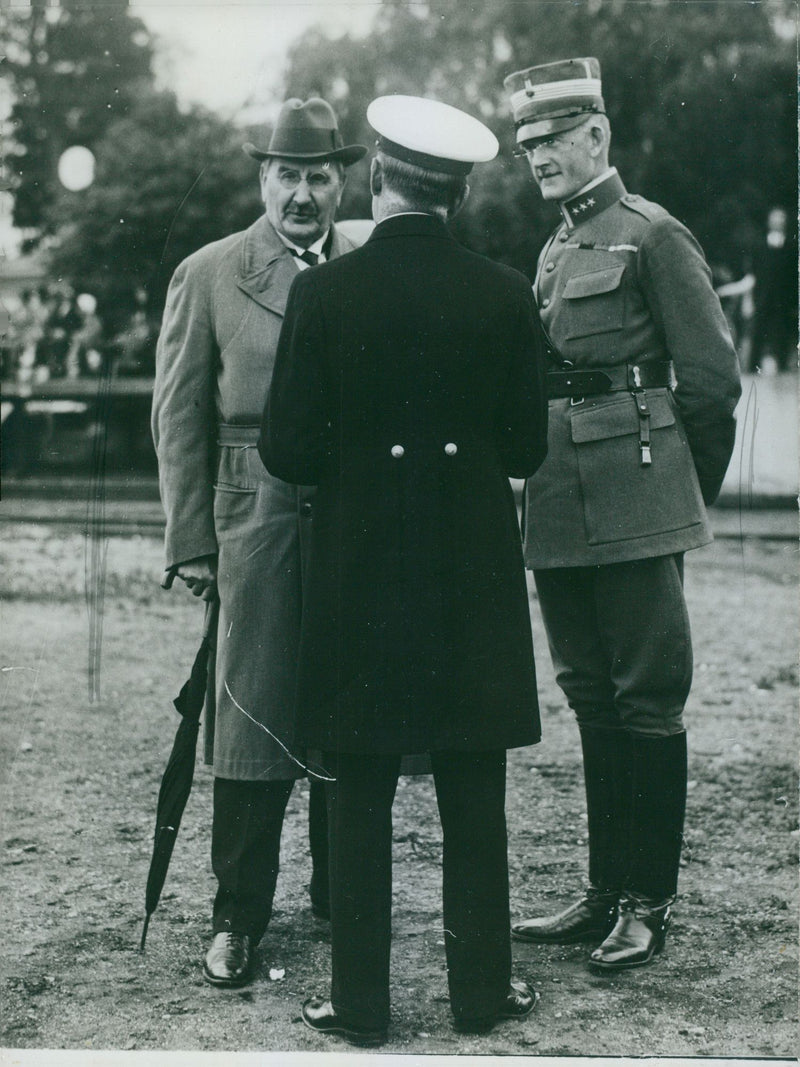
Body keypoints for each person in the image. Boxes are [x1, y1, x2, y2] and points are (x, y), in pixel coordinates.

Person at [259, 94, 548, 1045]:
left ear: (376, 180)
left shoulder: (323, 292)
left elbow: (289, 451)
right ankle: (481, 992)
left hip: (361, 568)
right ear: (458, 195)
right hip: (470, 569)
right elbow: (526, 447)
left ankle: (362, 1001)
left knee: (361, 780)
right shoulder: (506, 292)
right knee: (473, 780)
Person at [503, 58, 741, 970]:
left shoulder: (653, 235)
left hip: (639, 498)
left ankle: (649, 898)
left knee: (647, 696)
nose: (540, 158)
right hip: (560, 499)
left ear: (597, 134)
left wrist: (682, 497)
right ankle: (605, 890)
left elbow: (712, 381)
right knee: (591, 693)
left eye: (555, 138)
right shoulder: (556, 248)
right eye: (529, 145)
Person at [151, 98, 366, 988]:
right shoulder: (209, 273)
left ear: (343, 180)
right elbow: (178, 416)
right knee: (249, 711)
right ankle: (239, 914)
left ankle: (339, 893)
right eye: (288, 174)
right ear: (262, 178)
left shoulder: (364, 266)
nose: (305, 193)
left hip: (354, 513)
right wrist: (193, 540)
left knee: (349, 703)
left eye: (320, 175)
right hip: (254, 516)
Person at [748, 206, 798, 374]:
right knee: (758, 333)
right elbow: (753, 274)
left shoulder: (791, 247)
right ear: (769, 222)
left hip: (783, 299)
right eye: (775, 219)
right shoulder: (759, 245)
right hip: (762, 297)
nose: (778, 222)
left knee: (782, 333)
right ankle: (751, 367)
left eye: (781, 219)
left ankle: (782, 367)